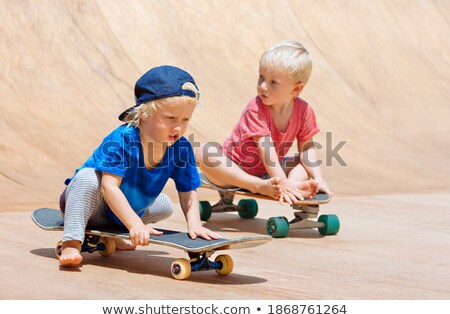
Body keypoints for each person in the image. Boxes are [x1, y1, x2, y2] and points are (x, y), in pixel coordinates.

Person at [59, 65, 219, 267]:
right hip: (89, 204)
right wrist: (135, 224)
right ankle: (72, 242)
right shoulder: (122, 139)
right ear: (144, 114)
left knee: (165, 205)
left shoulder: (181, 148)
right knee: (87, 178)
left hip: (116, 211)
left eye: (185, 120)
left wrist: (194, 224)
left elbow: (188, 190)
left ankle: (113, 234)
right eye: (170, 118)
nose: (178, 127)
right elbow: (108, 188)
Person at [196, 40, 332, 205]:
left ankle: (294, 184)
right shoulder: (256, 108)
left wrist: (318, 178)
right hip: (235, 170)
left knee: (302, 161)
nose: (262, 86)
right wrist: (279, 180)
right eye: (261, 77)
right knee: (203, 153)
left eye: (273, 82)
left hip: (270, 174)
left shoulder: (304, 111)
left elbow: (307, 147)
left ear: (296, 89)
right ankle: (260, 185)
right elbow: (265, 148)